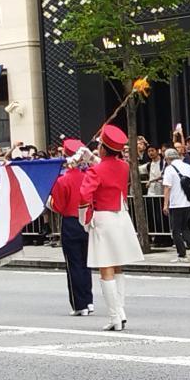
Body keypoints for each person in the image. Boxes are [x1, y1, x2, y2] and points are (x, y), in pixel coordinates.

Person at [79, 124, 144, 331]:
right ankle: (120, 311)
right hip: (121, 216)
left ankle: (115, 317)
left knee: (105, 266)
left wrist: (83, 218)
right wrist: (92, 158)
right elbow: (109, 167)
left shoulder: (95, 170)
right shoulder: (123, 166)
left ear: (104, 148)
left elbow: (84, 195)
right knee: (117, 266)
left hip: (103, 218)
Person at [48, 138, 95, 317]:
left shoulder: (62, 180)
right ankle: (89, 300)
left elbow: (59, 206)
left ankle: (79, 304)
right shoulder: (89, 176)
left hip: (71, 222)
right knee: (86, 263)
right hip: (88, 221)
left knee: (74, 264)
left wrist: (49, 203)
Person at [162, 147, 190, 263]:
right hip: (188, 202)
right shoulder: (188, 166)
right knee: (185, 226)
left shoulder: (169, 169)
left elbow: (167, 187)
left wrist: (165, 204)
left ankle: (182, 254)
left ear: (168, 158)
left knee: (175, 230)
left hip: (176, 203)